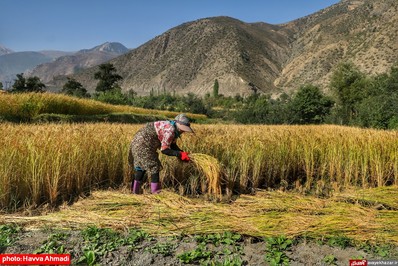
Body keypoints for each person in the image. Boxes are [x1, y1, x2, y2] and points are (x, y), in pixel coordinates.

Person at [128, 113, 194, 194]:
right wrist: (179, 154)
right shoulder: (170, 130)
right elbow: (165, 150)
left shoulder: (172, 127)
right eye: (183, 129)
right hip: (143, 144)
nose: (183, 131)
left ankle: (134, 192)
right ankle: (156, 193)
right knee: (154, 166)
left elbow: (172, 145)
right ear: (178, 124)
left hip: (137, 142)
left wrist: (181, 152)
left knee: (141, 168)